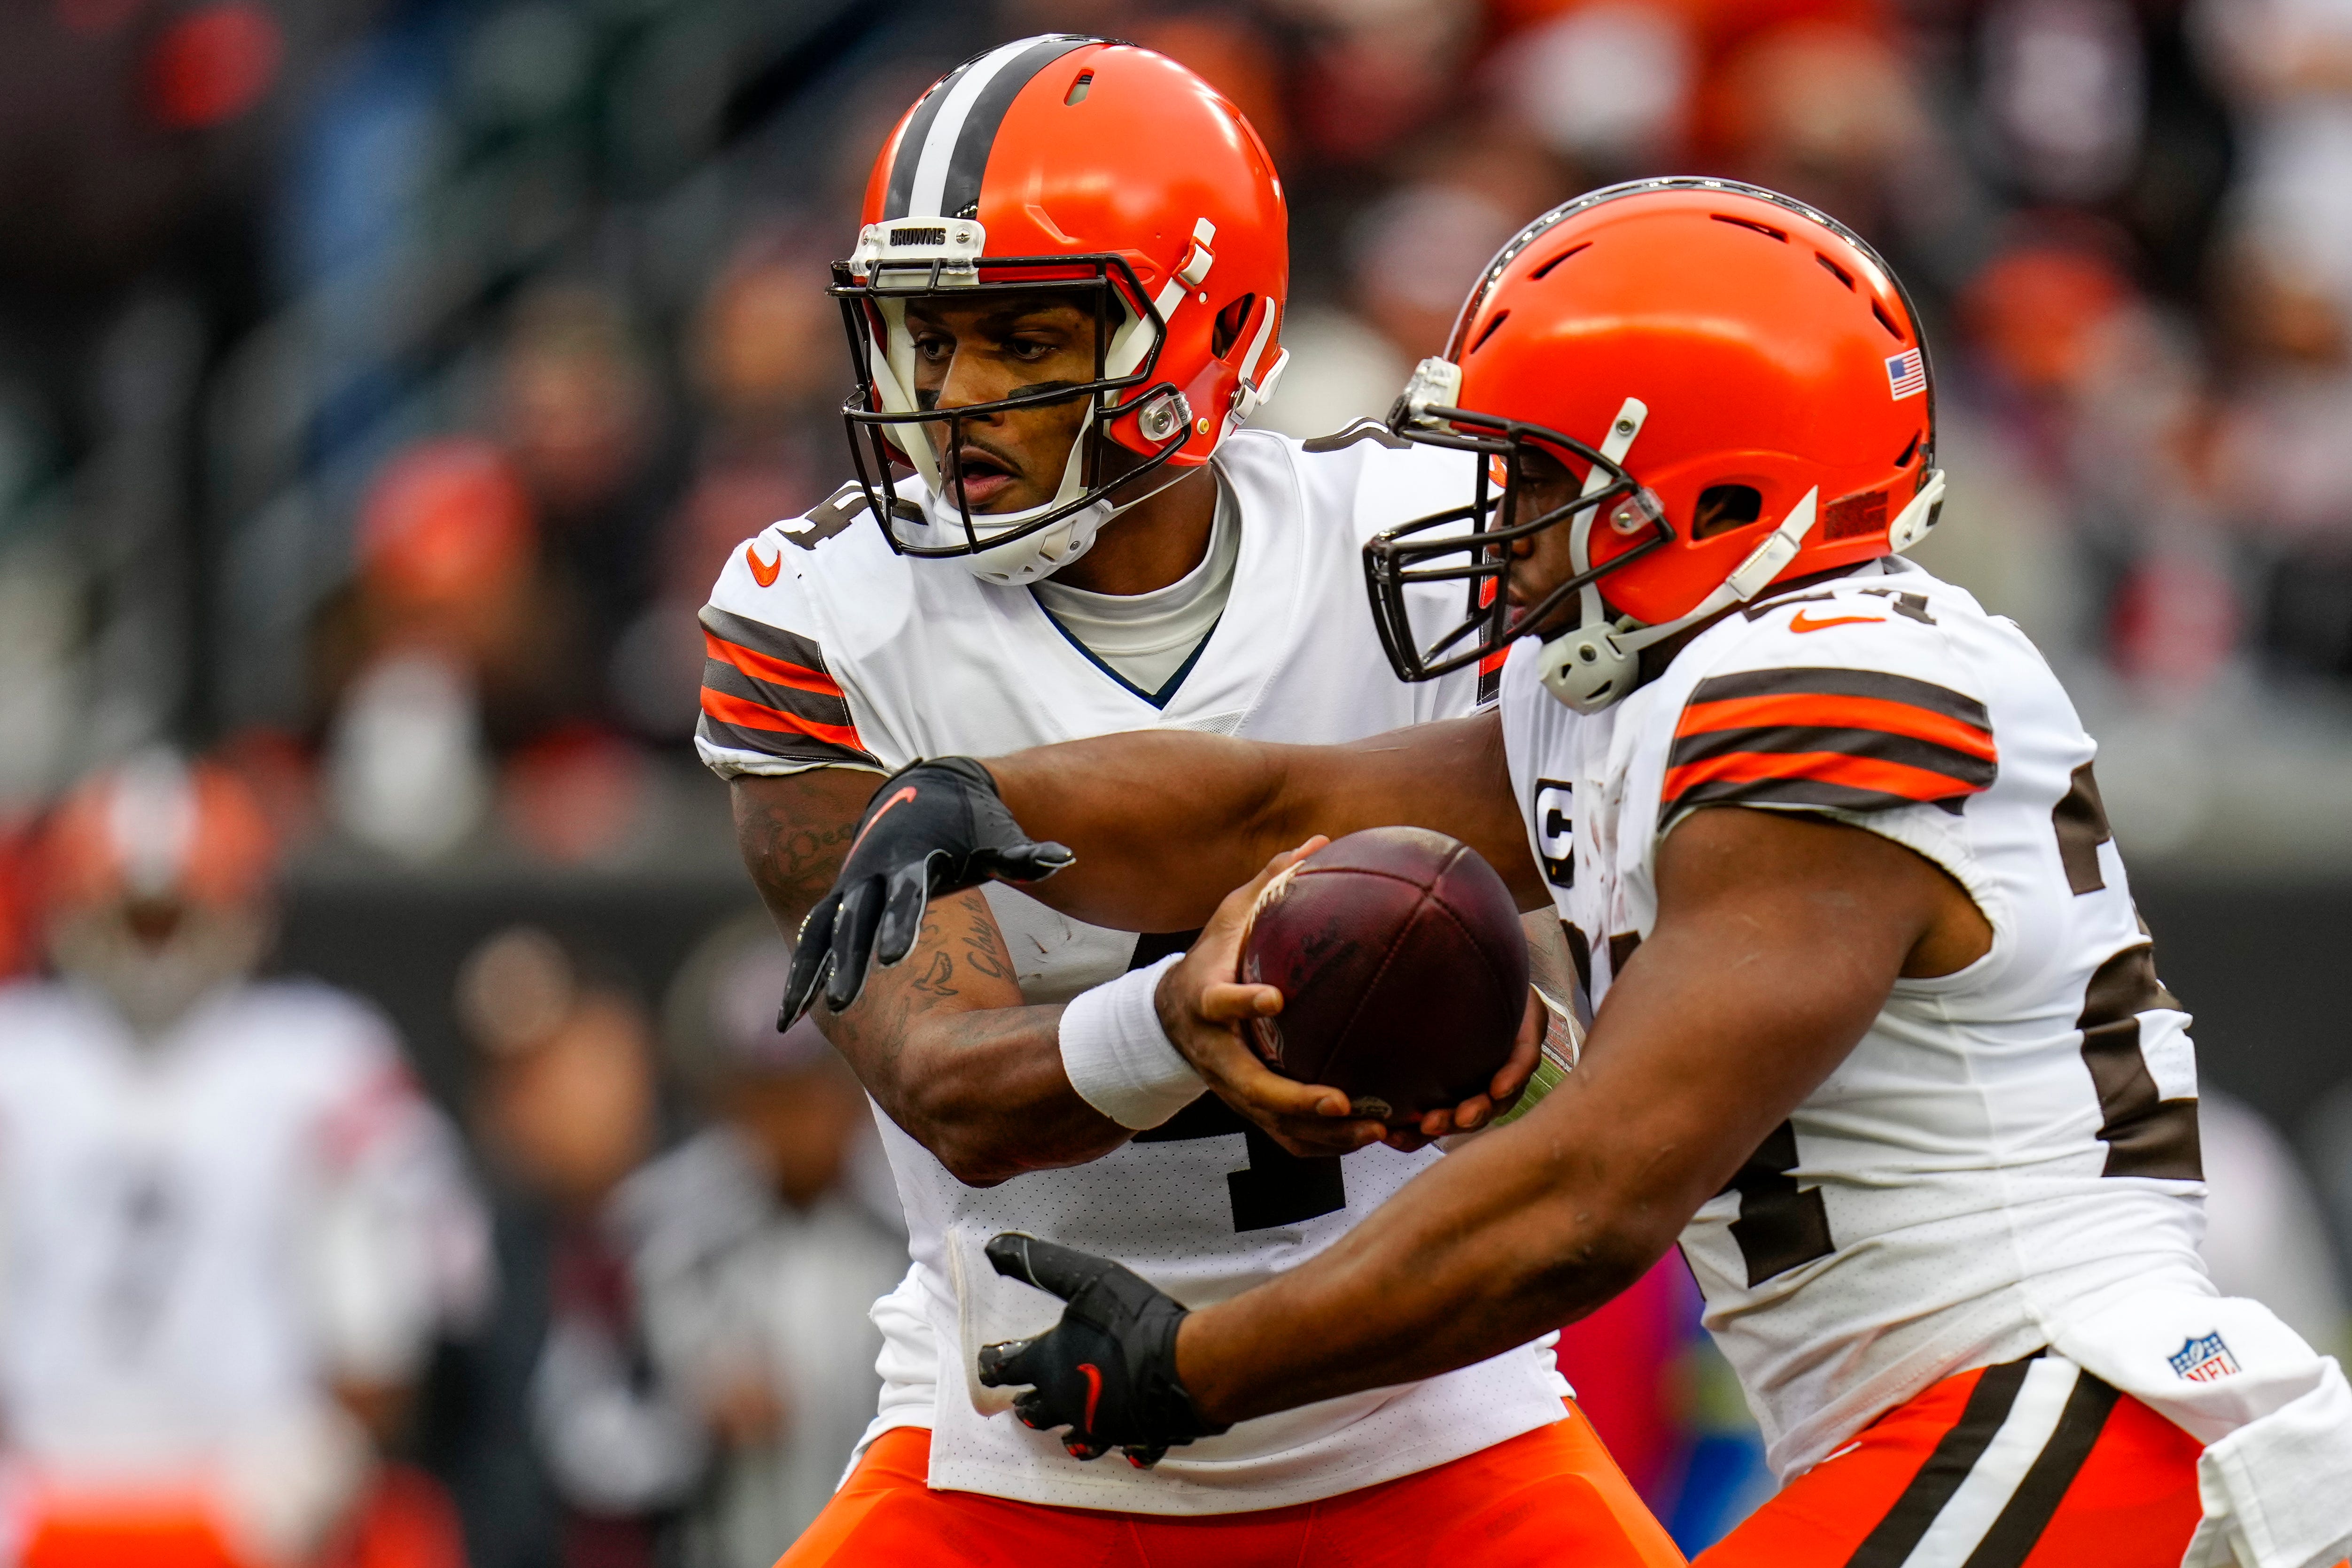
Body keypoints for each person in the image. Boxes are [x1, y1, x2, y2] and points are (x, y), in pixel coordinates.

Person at [787, 179, 2352, 1568]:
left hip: (2075, 1412)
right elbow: (1278, 803)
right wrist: (979, 796)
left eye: (1535, 482)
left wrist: (1202, 1364)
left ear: (1720, 494)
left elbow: (1590, 1198)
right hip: (1961, 1437)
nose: (1495, 528)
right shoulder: (1656, 689)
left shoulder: (1826, 691)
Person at [695, 34, 1679, 1568]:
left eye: (1020, 343)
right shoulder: (818, 616)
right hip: (1018, 1445)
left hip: (1424, 1427)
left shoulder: (1417, 548)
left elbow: (1567, 1009)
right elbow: (947, 1088)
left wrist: (1507, 1042)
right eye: (924, 341)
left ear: (1198, 337)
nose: (952, 399)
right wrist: (1173, 1023)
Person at [0, 752, 484, 1568]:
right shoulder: (20, 1054)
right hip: (35, 1480)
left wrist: (322, 1455)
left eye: (178, 913)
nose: (155, 947)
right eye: (132, 915)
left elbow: (406, 1299)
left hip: (261, 1483)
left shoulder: (321, 1055)